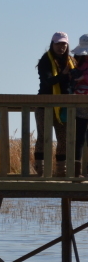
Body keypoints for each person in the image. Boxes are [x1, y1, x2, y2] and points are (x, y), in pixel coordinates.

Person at [35, 32, 75, 176]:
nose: (61, 47)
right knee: (43, 137)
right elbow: (47, 81)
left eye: (64, 44)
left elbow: (71, 85)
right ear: (52, 44)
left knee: (63, 138)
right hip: (44, 104)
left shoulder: (71, 61)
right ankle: (41, 171)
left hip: (64, 105)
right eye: (58, 44)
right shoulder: (46, 60)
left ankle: (61, 171)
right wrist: (64, 74)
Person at [70, 35, 88, 177]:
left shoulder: (77, 61)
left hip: (79, 101)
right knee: (80, 138)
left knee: (80, 137)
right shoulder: (74, 62)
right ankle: (77, 171)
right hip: (79, 103)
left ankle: (79, 171)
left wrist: (83, 77)